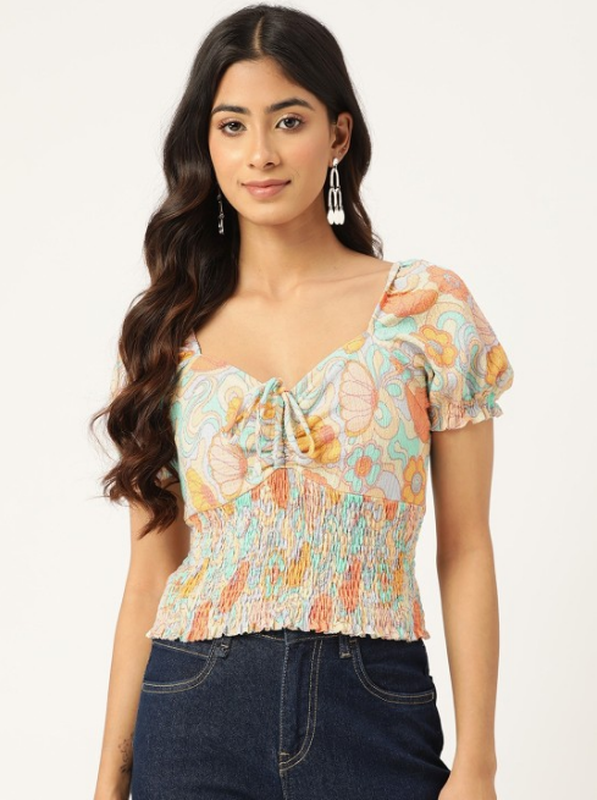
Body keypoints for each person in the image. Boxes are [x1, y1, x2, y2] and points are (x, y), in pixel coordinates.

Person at [91, 5, 514, 799]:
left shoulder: (426, 308)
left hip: (374, 704)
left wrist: (478, 764)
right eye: (231, 126)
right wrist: (110, 778)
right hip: (192, 709)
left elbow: (464, 549)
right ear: (206, 145)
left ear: (338, 135)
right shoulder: (165, 333)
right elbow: (150, 575)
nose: (260, 152)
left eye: (288, 120)